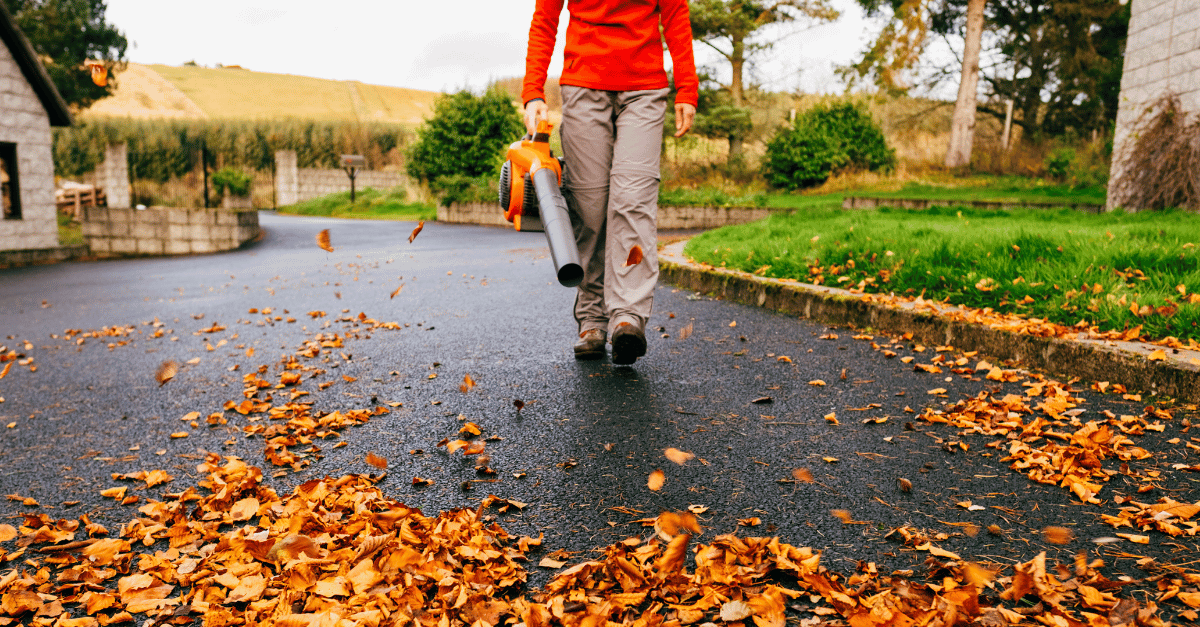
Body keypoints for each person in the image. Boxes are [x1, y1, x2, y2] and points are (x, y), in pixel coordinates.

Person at [522, 0, 698, 366]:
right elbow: (545, 19)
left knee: (632, 198)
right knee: (589, 206)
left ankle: (627, 316)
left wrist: (687, 87)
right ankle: (592, 317)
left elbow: (676, 12)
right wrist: (534, 92)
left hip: (644, 88)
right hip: (583, 83)